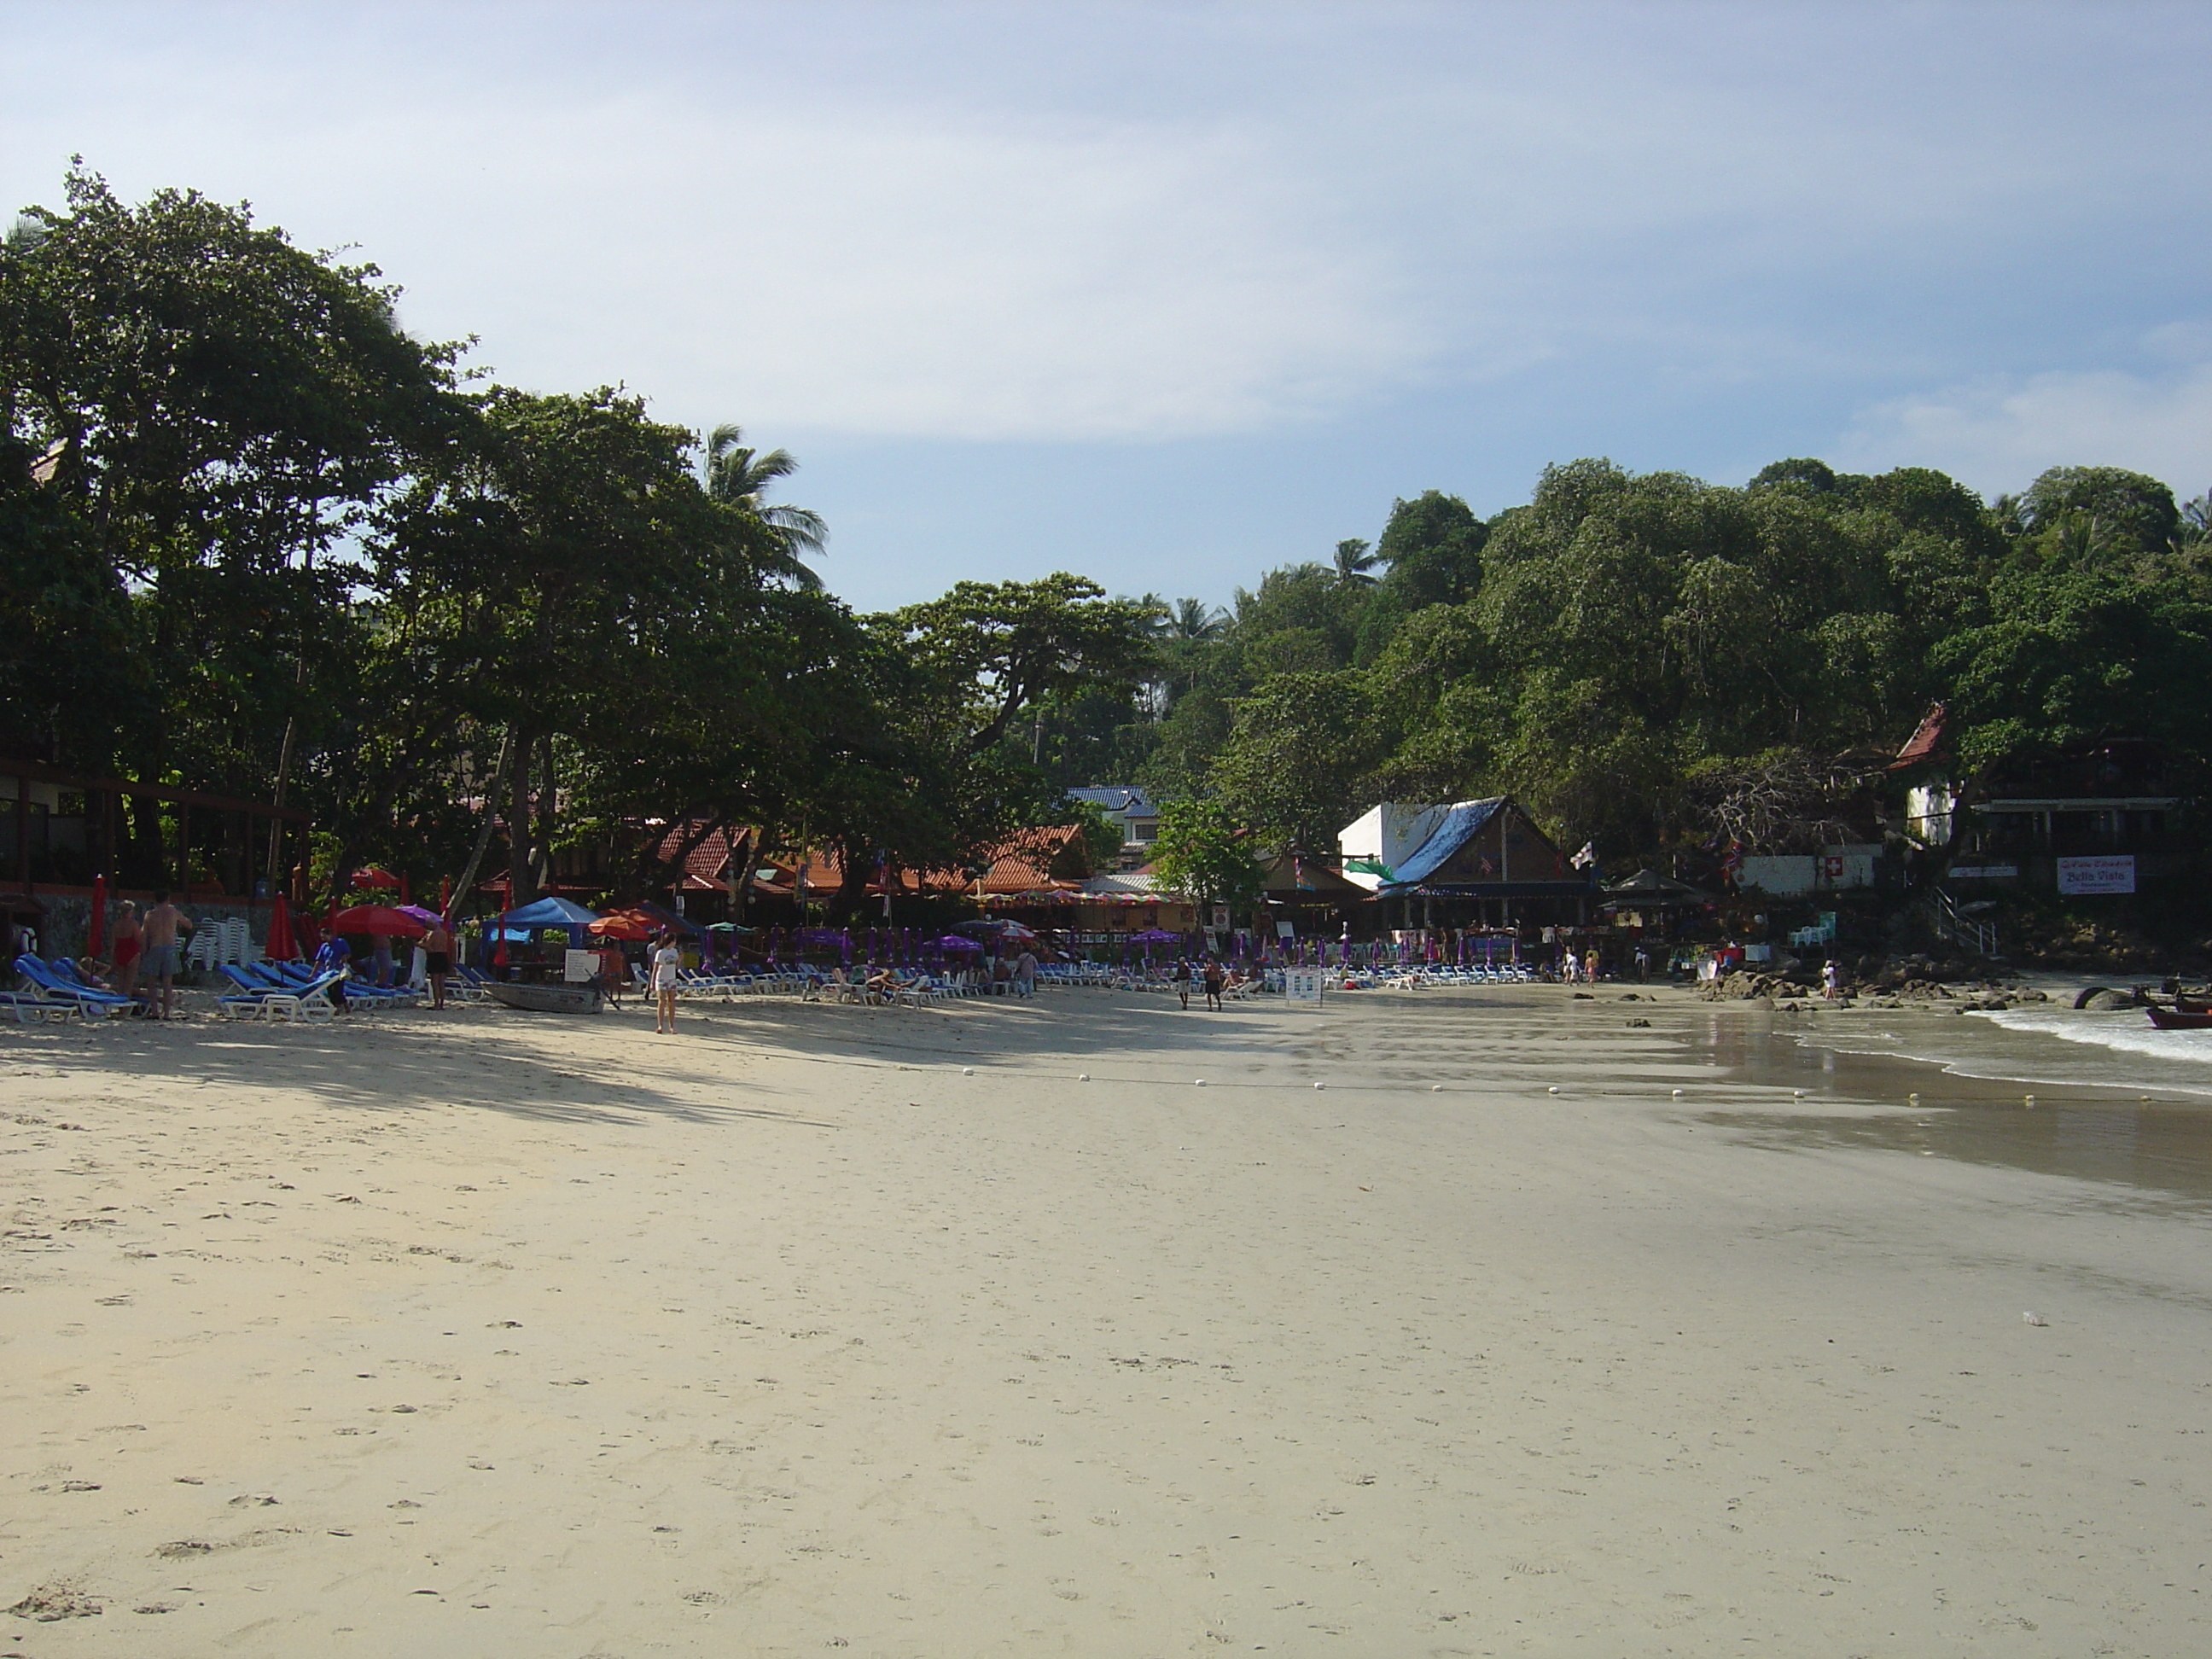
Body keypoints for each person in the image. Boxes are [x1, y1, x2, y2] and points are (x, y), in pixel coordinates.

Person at [140, 890, 189, 1020]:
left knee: (151, 981)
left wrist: (144, 952)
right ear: (168, 899)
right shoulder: (173, 912)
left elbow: (144, 935)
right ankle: (166, 1013)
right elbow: (188, 924)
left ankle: (155, 1010)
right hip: (170, 948)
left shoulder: (150, 914)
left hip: (155, 947)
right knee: (167, 982)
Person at [649, 930, 683, 1033]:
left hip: (671, 978)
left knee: (671, 1002)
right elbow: (655, 967)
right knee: (662, 1002)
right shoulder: (661, 952)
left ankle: (671, 1026)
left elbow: (675, 966)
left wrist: (680, 960)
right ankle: (660, 1025)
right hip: (661, 979)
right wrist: (652, 982)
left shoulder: (674, 951)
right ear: (671, 941)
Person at [110, 900, 143, 999]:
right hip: (132, 952)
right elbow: (138, 939)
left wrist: (112, 959)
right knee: (129, 982)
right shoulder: (133, 924)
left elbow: (113, 944)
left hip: (120, 952)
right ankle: (126, 1006)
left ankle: (121, 1007)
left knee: (121, 982)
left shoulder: (116, 925)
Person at [313, 931, 352, 1013]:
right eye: (322, 938)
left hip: (339, 970)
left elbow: (348, 953)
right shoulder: (324, 946)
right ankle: (336, 1007)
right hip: (328, 971)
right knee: (330, 990)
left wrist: (344, 958)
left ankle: (342, 1005)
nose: (323, 939)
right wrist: (312, 974)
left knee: (337, 990)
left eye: (324, 937)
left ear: (330, 935)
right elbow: (319, 960)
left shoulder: (340, 942)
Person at [422, 914, 455, 1010]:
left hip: (434, 956)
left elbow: (428, 945)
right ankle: (441, 1003)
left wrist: (417, 943)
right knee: (441, 982)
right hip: (443, 955)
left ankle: (436, 1004)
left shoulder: (433, 934)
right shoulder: (444, 933)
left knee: (435, 981)